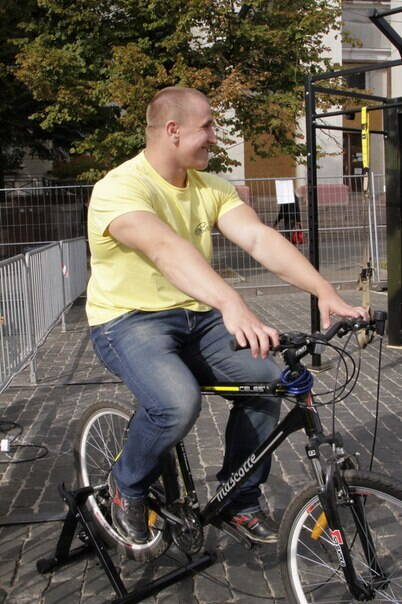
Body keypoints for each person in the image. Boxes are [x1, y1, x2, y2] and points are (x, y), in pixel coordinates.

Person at [86, 87, 367, 545]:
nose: (215, 137)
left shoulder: (210, 187)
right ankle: (126, 485)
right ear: (173, 130)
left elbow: (258, 238)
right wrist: (230, 302)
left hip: (197, 317)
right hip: (128, 320)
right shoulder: (120, 188)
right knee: (176, 404)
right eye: (208, 127)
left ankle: (240, 500)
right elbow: (165, 248)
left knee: (266, 382)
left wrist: (324, 290)